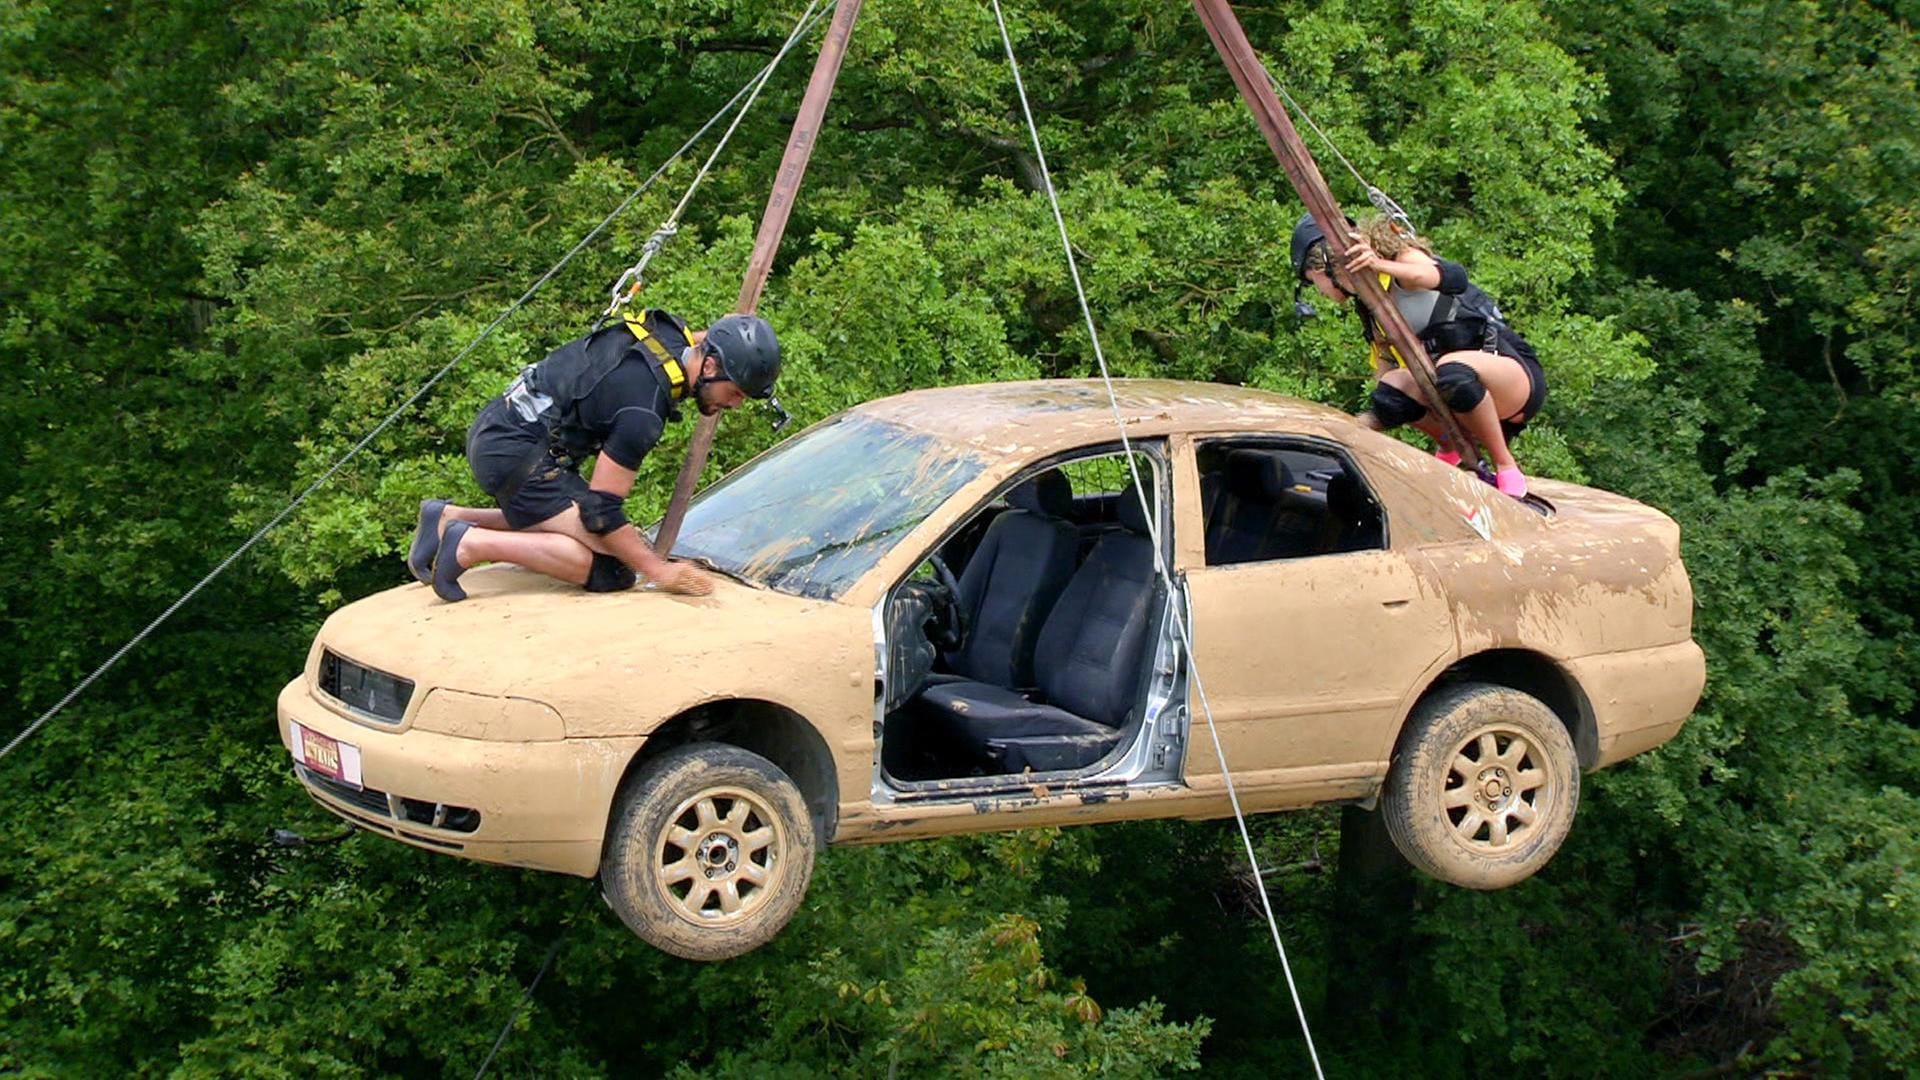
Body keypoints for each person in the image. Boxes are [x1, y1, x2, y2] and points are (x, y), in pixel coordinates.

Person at [406, 308, 782, 601]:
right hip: (518, 458)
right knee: (616, 568)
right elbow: (600, 512)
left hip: (500, 424)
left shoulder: (669, 335)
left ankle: (447, 518)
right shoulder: (642, 413)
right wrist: (659, 571)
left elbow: (722, 329)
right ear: (711, 366)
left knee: (612, 536)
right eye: (734, 393)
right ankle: (471, 544)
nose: (733, 404)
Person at [1290, 212, 1546, 498]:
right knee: (1391, 389)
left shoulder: (1401, 262)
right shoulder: (1371, 306)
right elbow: (1386, 371)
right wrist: (1360, 423)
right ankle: (1451, 446)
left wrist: (1377, 263)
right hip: (1453, 392)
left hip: (1507, 375)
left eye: (1314, 282)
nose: (1319, 293)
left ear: (1324, 265)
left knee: (1452, 372)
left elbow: (1449, 276)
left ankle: (1505, 464)